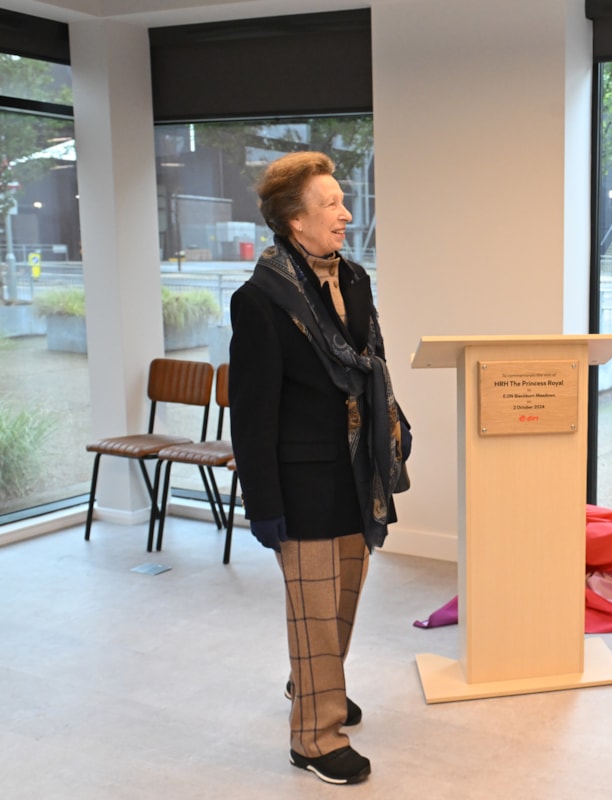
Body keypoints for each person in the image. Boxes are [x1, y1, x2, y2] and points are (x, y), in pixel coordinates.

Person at [229, 151, 411, 784]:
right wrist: (263, 503)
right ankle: (314, 735)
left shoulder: (354, 279)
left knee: (340, 602)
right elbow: (251, 414)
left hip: (356, 472)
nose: (345, 213)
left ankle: (314, 682)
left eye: (342, 200)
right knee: (311, 604)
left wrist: (396, 425)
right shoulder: (260, 301)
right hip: (298, 479)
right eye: (330, 204)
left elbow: (373, 362)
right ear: (294, 221)